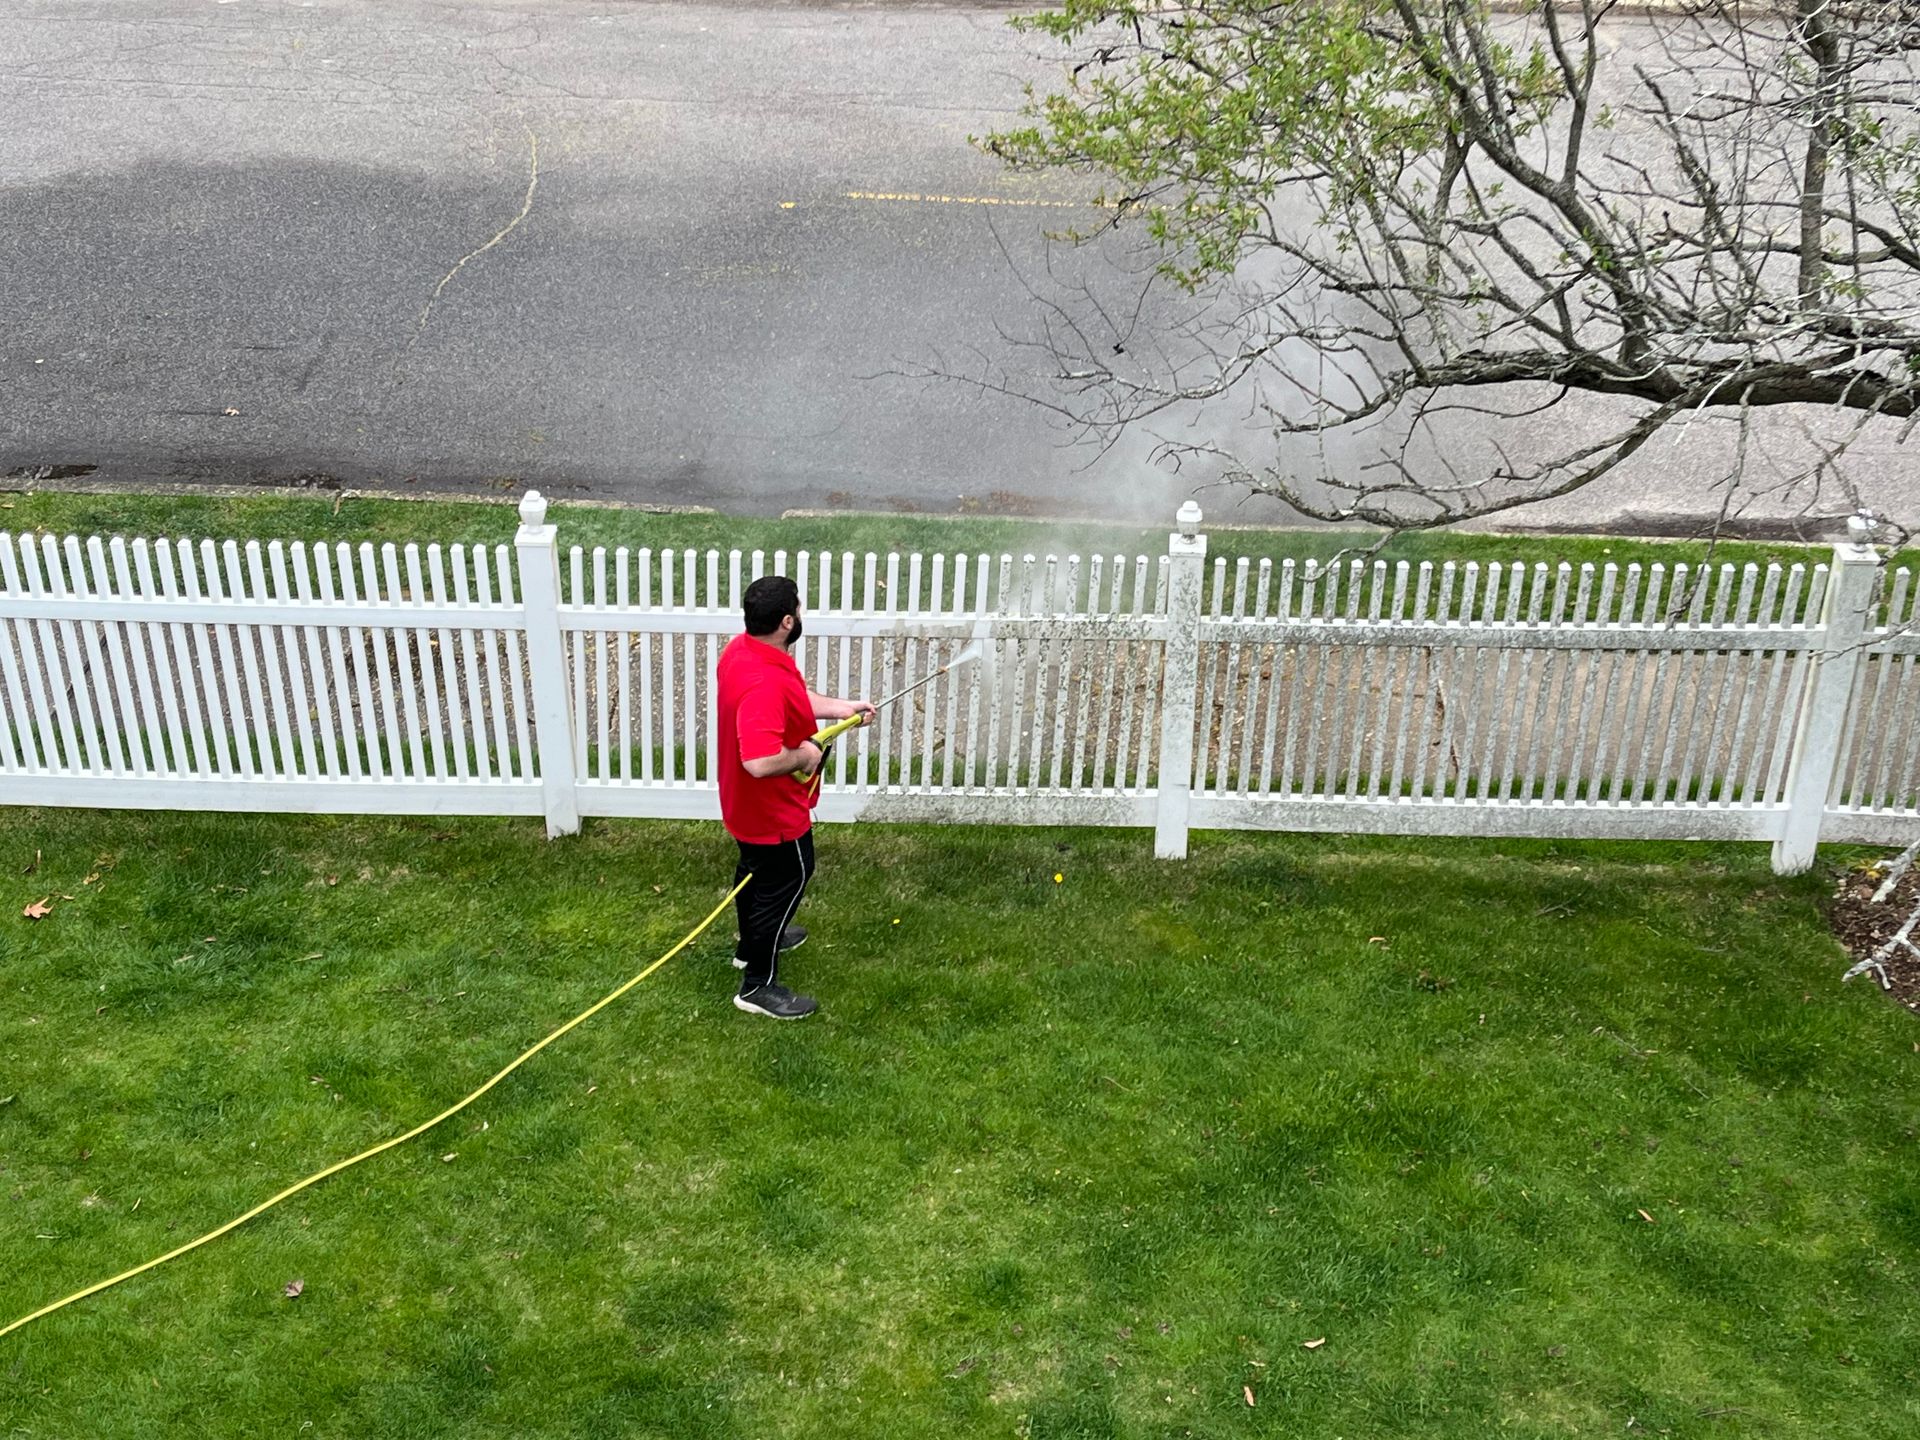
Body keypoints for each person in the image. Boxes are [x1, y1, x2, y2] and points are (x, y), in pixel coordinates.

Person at [716, 575, 875, 1019]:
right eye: (799, 611)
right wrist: (804, 754)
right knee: (790, 878)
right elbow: (760, 761)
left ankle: (752, 946)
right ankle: (757, 986)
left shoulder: (744, 652)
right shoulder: (764, 681)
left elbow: (791, 701)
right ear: (787, 621)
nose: (801, 616)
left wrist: (842, 709)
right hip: (772, 810)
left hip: (744, 804)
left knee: (755, 875)